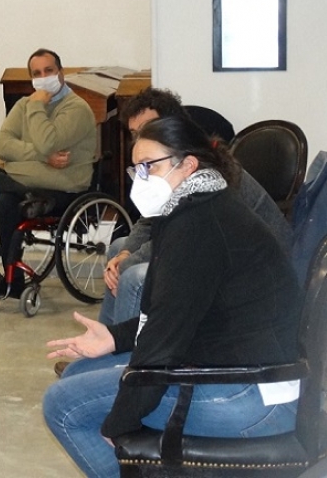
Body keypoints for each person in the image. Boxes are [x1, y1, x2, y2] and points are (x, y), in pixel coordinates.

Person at [42, 114, 301, 478]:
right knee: (77, 373)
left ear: (188, 165)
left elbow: (164, 340)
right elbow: (173, 314)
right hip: (230, 364)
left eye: (150, 166)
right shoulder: (193, 208)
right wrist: (114, 337)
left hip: (252, 395)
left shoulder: (199, 224)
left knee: (63, 405)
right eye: (137, 169)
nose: (141, 179)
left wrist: (120, 424)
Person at [98, 88, 292, 327]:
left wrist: (125, 265)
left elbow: (177, 236)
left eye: (148, 128)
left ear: (172, 125)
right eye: (134, 133)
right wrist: (126, 253)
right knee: (118, 248)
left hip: (251, 274)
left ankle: (124, 349)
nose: (141, 139)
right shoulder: (174, 162)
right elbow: (150, 221)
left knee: (134, 278)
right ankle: (107, 338)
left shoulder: (204, 172)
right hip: (213, 253)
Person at [0, 48, 96, 297]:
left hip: (60, 190)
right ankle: (13, 281)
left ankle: (12, 278)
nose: (43, 77)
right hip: (26, 188)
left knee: (3, 201)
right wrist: (43, 157)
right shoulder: (23, 104)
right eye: (37, 73)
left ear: (61, 73)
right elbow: (3, 146)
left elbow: (47, 141)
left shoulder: (76, 109)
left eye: (49, 71)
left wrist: (36, 106)